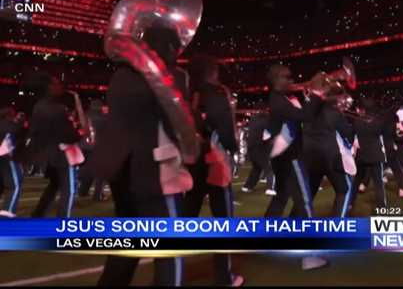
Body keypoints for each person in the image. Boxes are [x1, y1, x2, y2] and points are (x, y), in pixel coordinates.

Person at [82, 23, 194, 286]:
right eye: (176, 47)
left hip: (122, 170)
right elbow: (178, 123)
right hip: (155, 170)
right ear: (167, 47)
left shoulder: (121, 74)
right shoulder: (170, 75)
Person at [185, 55, 244, 287]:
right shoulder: (216, 93)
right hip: (215, 160)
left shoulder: (188, 92)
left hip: (193, 162)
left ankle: (170, 273)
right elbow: (225, 127)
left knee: (185, 219)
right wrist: (233, 147)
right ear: (212, 71)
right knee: (224, 223)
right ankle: (224, 277)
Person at [263, 64, 327, 270]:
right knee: (305, 204)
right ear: (275, 80)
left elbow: (307, 112)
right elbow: (306, 117)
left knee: (280, 199)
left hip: (283, 159)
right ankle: (309, 256)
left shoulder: (281, 99)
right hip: (291, 159)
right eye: (286, 77)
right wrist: (317, 91)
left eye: (291, 77)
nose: (291, 80)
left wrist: (315, 96)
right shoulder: (278, 101)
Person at [28, 74, 83, 218]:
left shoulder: (38, 106)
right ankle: (63, 224)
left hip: (48, 155)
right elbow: (69, 135)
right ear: (49, 87)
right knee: (69, 190)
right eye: (56, 83)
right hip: (61, 155)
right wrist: (81, 134)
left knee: (54, 186)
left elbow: (35, 132)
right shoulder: (57, 109)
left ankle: (38, 215)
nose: (60, 86)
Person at [297, 90, 354, 217]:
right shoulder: (334, 113)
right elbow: (348, 134)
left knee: (308, 194)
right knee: (345, 189)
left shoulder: (307, 113)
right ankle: (337, 227)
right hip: (330, 158)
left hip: (310, 159)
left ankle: (293, 225)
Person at [350, 98, 388, 211]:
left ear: (363, 109)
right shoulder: (379, 122)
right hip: (376, 156)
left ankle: (349, 203)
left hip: (362, 156)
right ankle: (382, 207)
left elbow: (351, 135)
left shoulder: (357, 121)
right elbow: (385, 135)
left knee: (356, 182)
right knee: (378, 183)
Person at [78, 99, 108, 201]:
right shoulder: (103, 118)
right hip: (97, 147)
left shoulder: (86, 116)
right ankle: (97, 194)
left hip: (84, 147)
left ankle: (83, 191)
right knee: (101, 173)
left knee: (87, 171)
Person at [0, 107, 27, 217]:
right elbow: (14, 131)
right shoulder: (8, 124)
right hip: (6, 156)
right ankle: (7, 214)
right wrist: (19, 121)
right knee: (14, 185)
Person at [241, 111, 276, 195]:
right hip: (260, 148)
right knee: (269, 168)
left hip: (251, 149)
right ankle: (270, 188)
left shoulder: (253, 120)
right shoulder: (266, 122)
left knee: (256, 168)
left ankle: (247, 186)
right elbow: (266, 137)